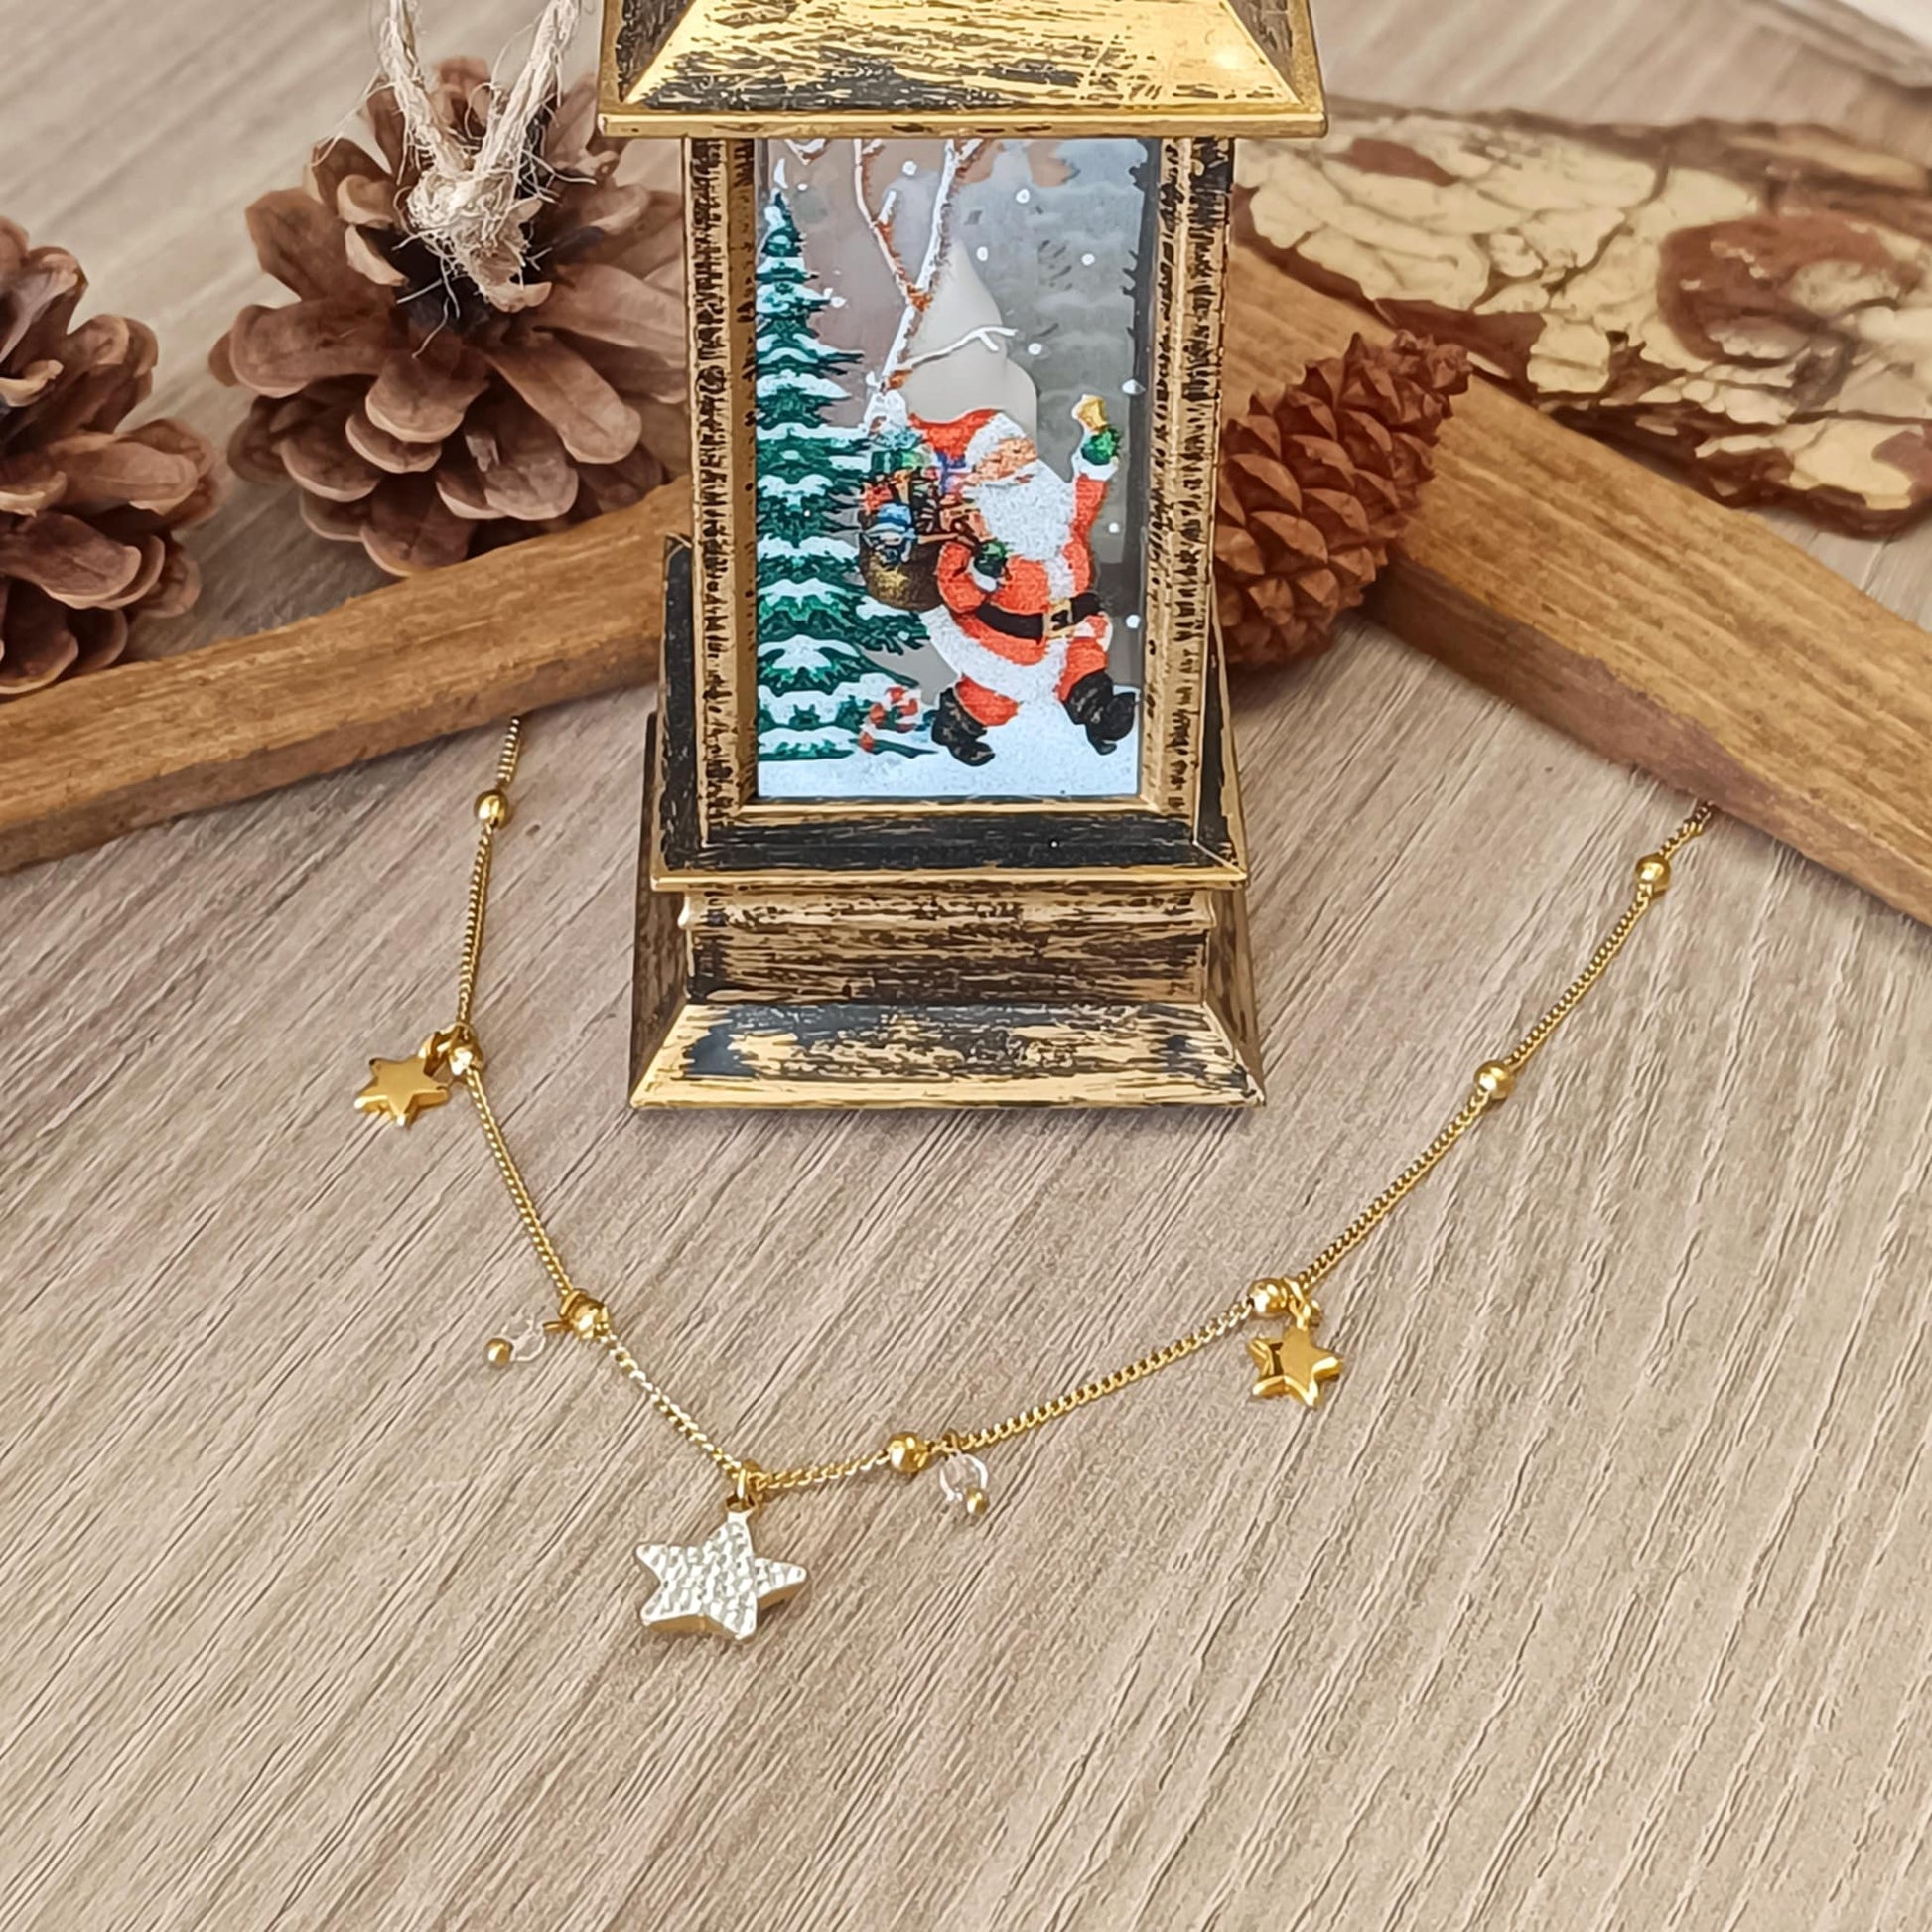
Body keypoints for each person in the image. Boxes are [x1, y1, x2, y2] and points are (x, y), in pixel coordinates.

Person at [915, 397, 1138, 767]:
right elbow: (956, 593)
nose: (1017, 466)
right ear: (978, 473)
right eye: (1000, 458)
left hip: (1070, 625)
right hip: (1007, 642)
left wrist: (1095, 457)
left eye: (1020, 451)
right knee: (993, 697)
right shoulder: (972, 528)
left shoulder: (1054, 510)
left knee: (1084, 665)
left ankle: (1100, 716)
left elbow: (1082, 502)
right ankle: (955, 731)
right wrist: (982, 572)